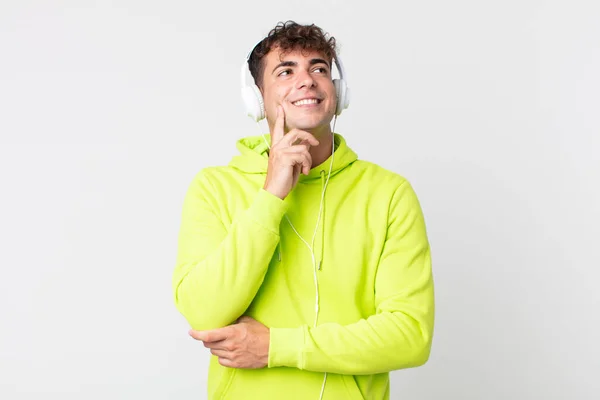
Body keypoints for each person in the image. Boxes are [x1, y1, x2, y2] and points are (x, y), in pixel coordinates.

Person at [172, 20, 435, 400]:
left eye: (319, 68)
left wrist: (275, 347)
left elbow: (410, 336)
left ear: (337, 91)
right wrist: (270, 196)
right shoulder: (214, 187)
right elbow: (203, 312)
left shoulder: (388, 193)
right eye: (285, 71)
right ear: (257, 98)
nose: (307, 80)